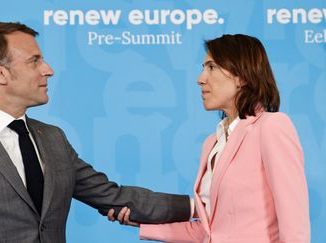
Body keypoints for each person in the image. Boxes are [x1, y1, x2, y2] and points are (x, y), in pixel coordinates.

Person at [0, 22, 193, 243]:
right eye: (34, 61)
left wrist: (198, 205)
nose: (49, 70)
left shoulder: (53, 138)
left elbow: (113, 197)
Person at [108, 34, 310, 243]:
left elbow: (294, 223)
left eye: (211, 67)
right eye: (203, 67)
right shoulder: (212, 143)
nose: (201, 78)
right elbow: (208, 232)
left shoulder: (271, 126)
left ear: (242, 76)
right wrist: (144, 225)